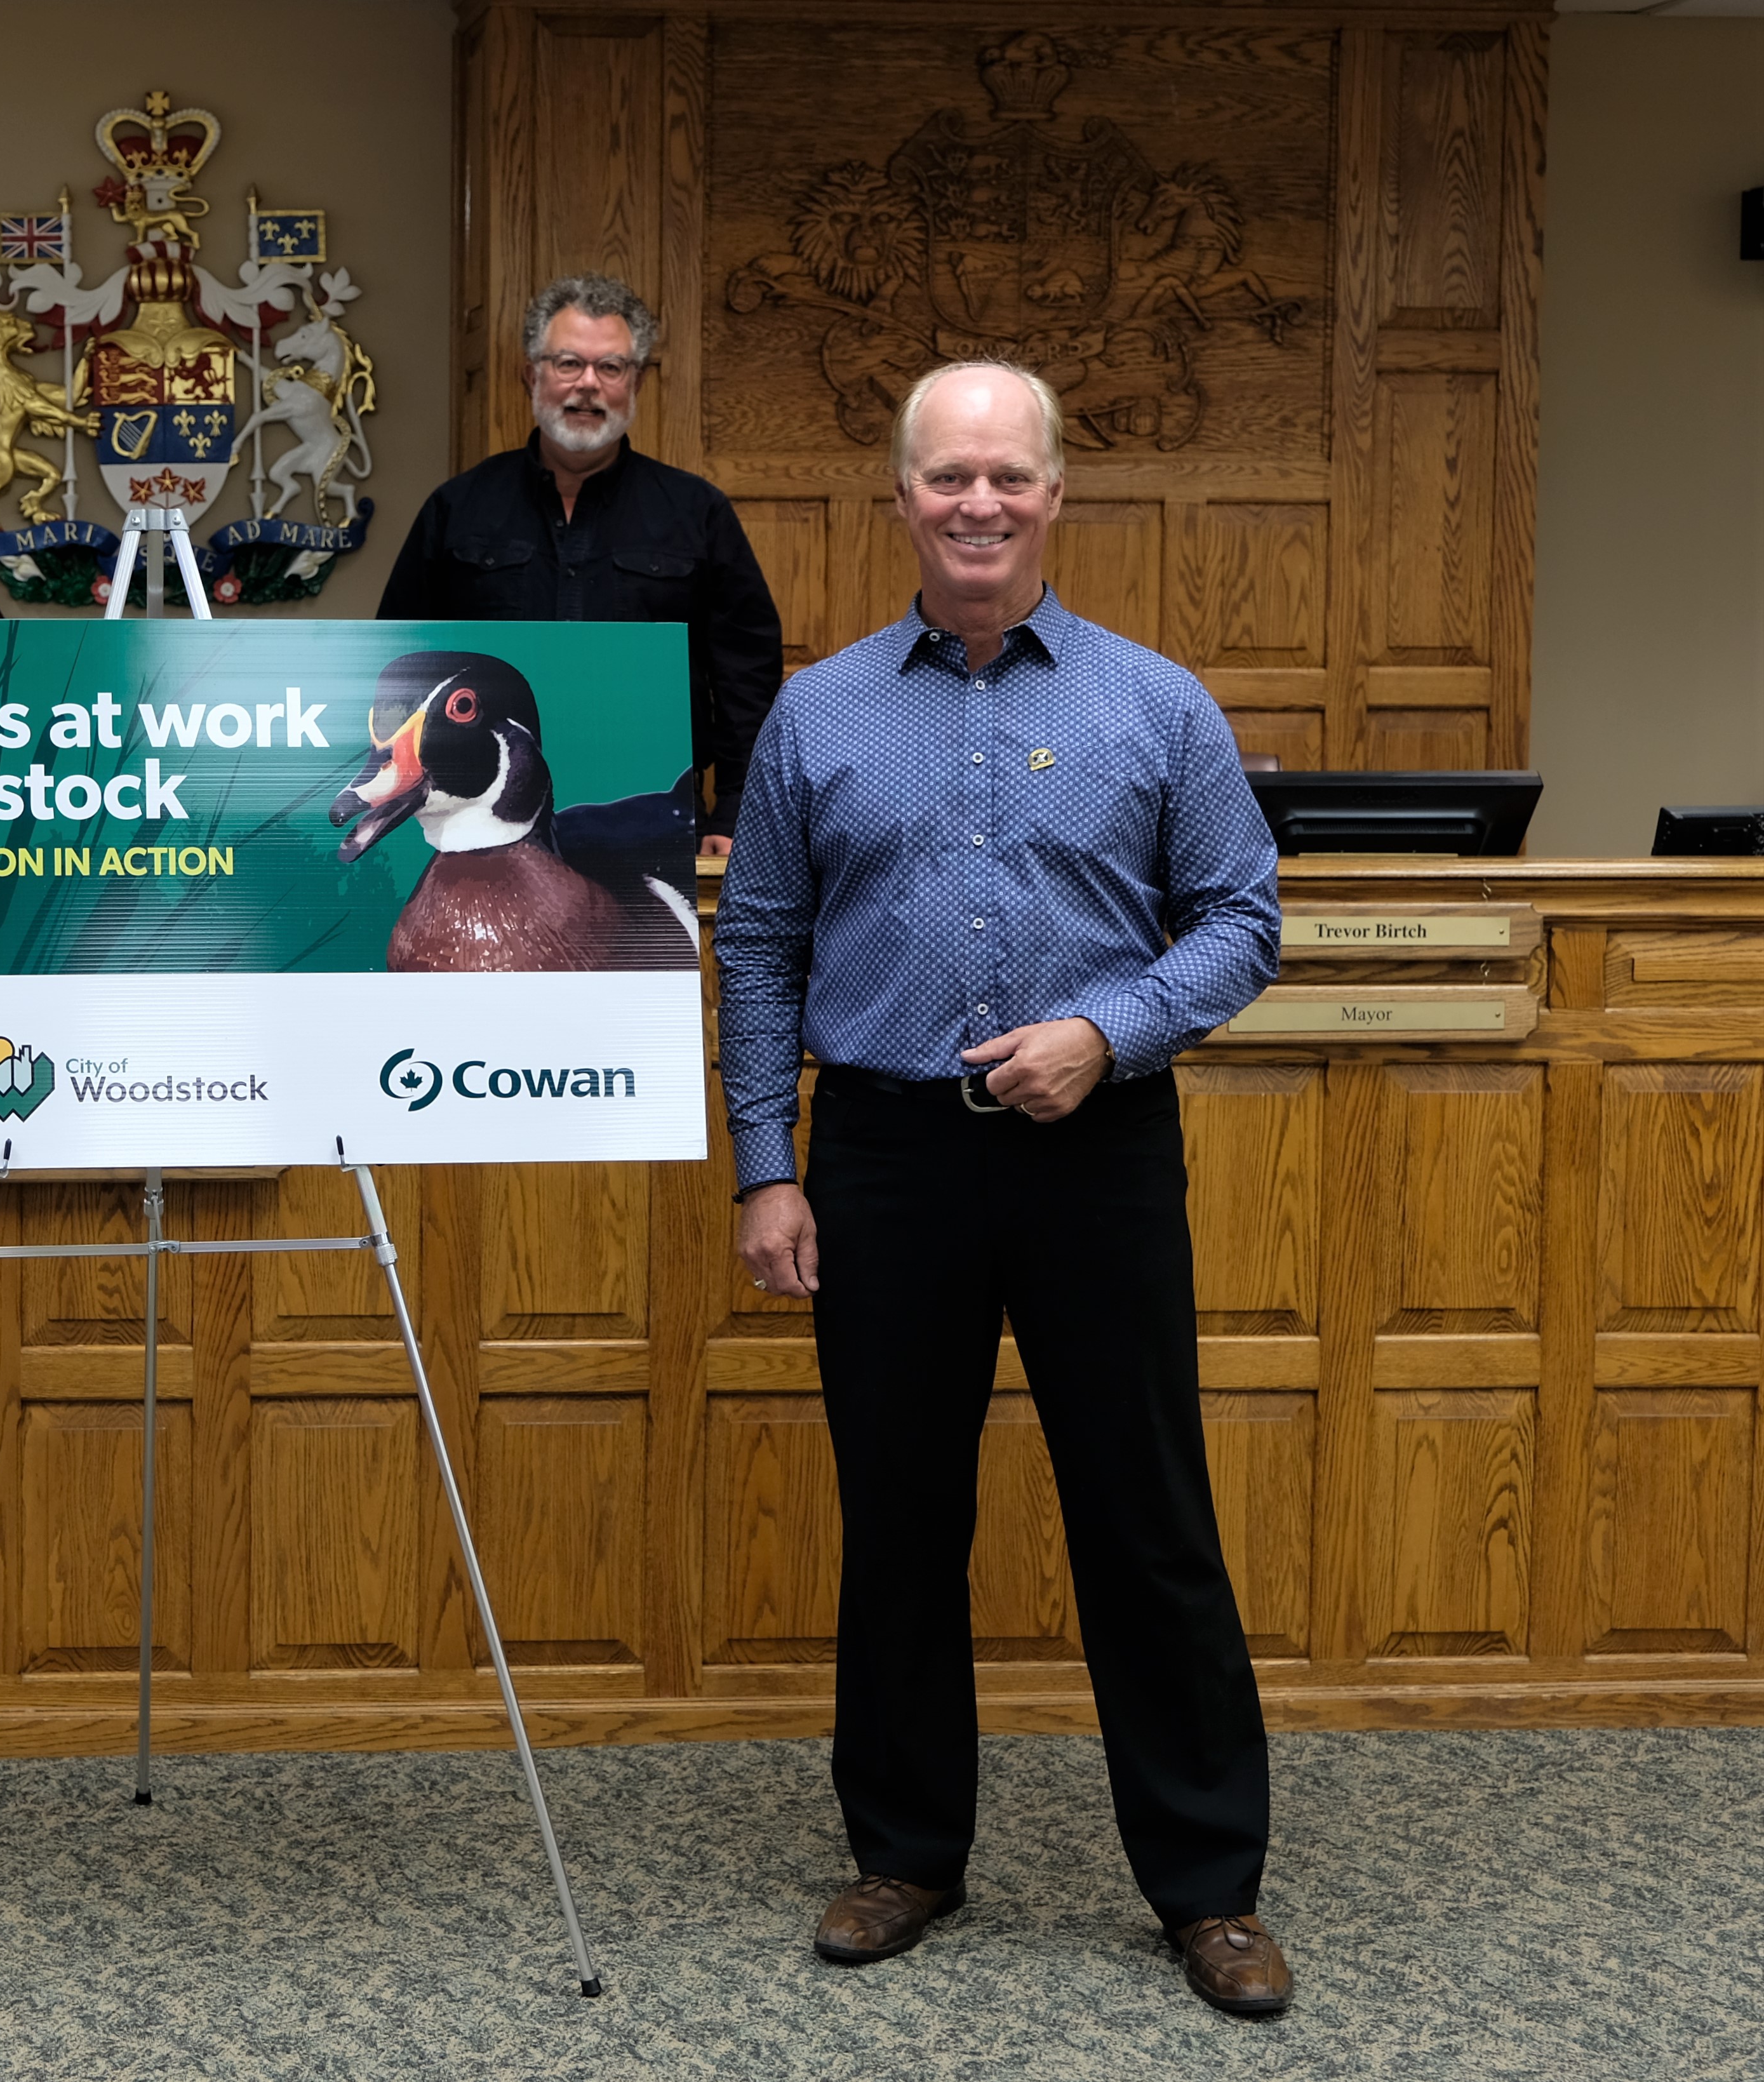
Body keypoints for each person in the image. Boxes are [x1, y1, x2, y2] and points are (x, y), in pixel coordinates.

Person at [714, 362, 1292, 2017]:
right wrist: (767, 1164)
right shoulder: (816, 713)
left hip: (1093, 1151)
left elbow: (1235, 921)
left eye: (1006, 477)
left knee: (1147, 1518)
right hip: (885, 1155)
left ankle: (1205, 1884)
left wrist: (1101, 1034)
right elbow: (754, 947)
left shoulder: (1155, 705)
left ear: (1055, 492)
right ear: (897, 495)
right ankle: (902, 1848)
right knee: (899, 1516)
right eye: (945, 476)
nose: (976, 503)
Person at [377, 274, 782, 857]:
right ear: (531, 374)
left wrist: (738, 809)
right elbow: (401, 661)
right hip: (478, 821)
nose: (588, 385)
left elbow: (748, 677)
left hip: (653, 815)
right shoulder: (457, 509)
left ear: (636, 382)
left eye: (611, 368)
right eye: (568, 363)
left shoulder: (697, 513)